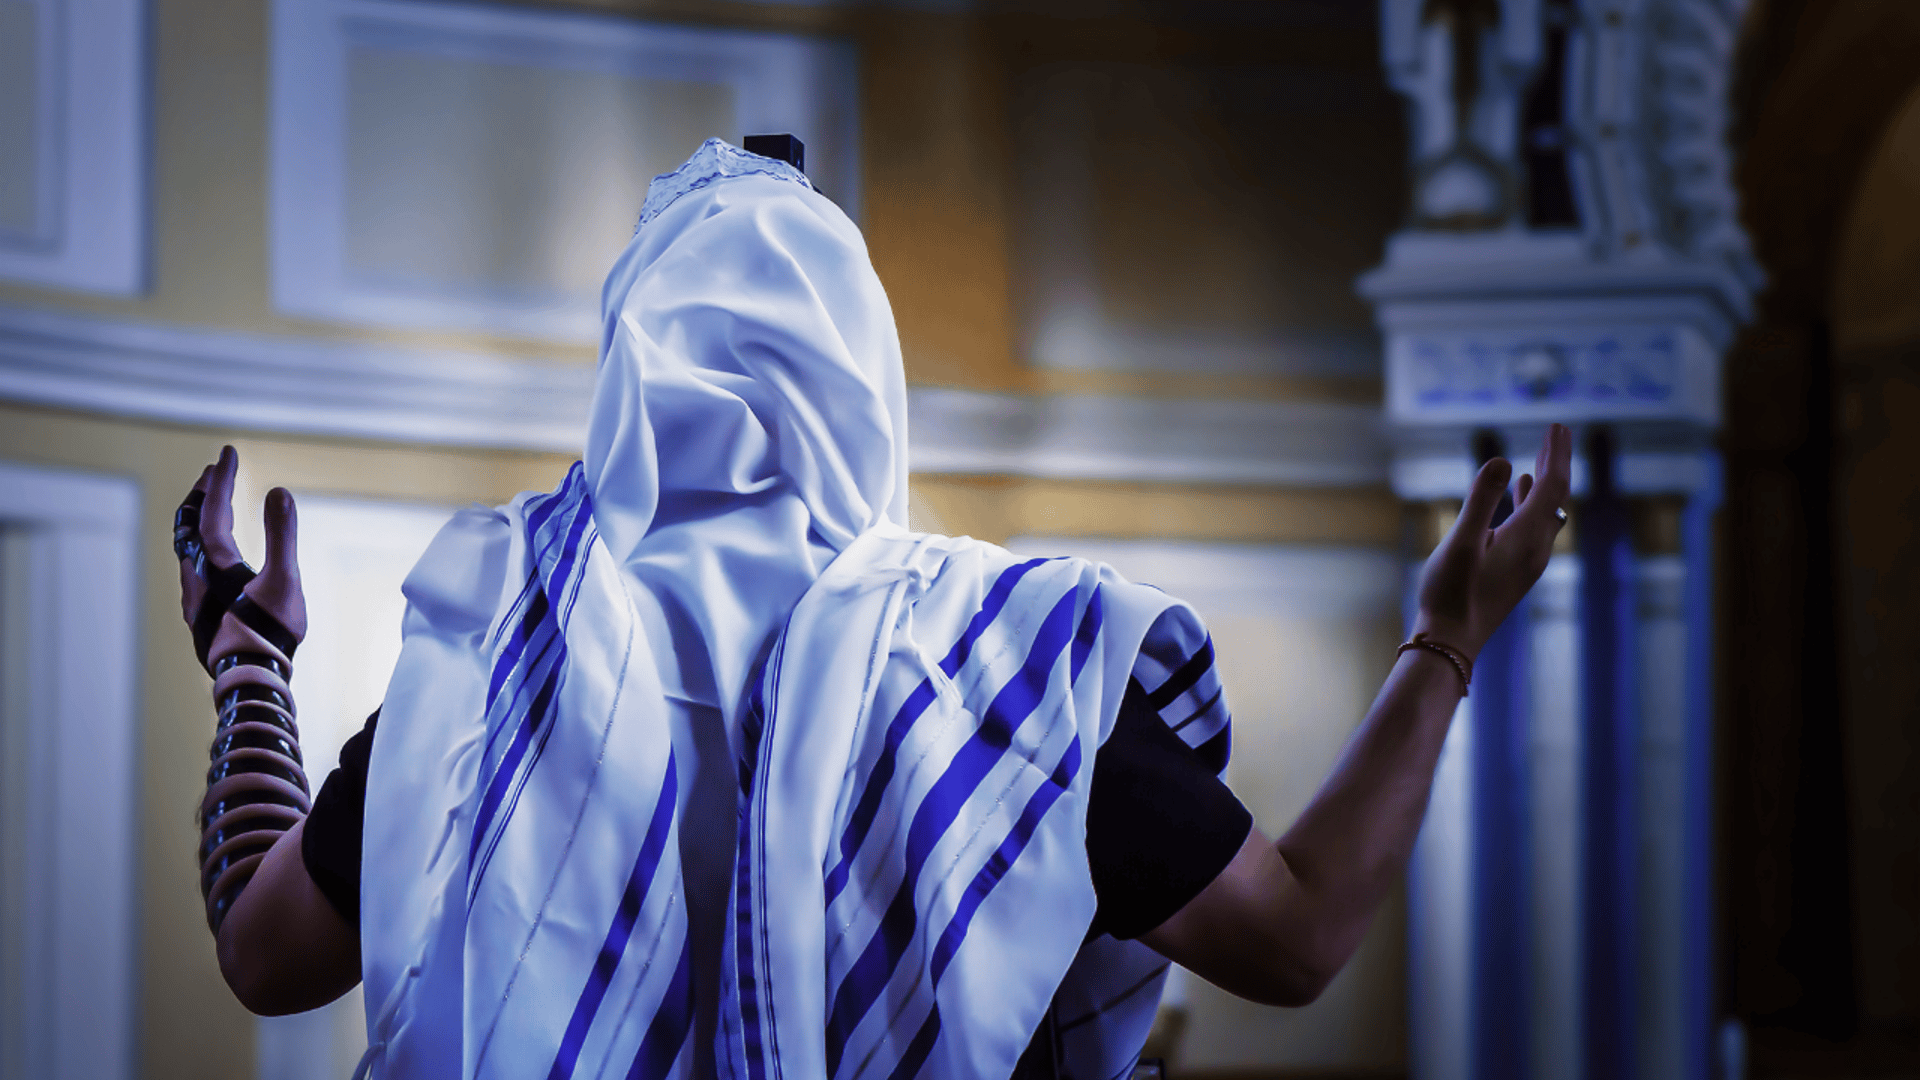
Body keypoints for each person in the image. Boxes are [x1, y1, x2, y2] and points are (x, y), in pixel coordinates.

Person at [177, 139, 1572, 1080]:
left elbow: (265, 951)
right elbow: (1299, 934)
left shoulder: (491, 653)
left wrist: (252, 668)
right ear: (862, 369)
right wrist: (1445, 641)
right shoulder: (1015, 667)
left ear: (630, 362)